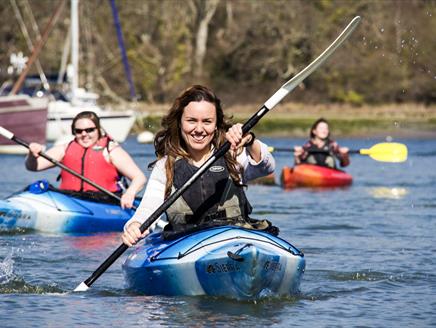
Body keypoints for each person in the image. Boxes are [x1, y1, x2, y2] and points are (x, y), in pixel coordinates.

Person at [122, 85, 276, 246]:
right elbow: (147, 209)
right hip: (185, 247)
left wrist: (250, 140)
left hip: (235, 242)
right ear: (180, 123)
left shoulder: (233, 155)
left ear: (216, 125)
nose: (199, 129)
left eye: (207, 122)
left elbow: (267, 167)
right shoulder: (165, 167)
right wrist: (134, 226)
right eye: (191, 121)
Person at [25, 111, 146, 209]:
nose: (84, 134)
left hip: (104, 202)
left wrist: (130, 194)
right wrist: (32, 154)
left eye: (90, 130)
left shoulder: (111, 150)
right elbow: (33, 167)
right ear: (74, 132)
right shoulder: (65, 149)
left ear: (98, 130)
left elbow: (139, 178)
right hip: (70, 199)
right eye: (79, 131)